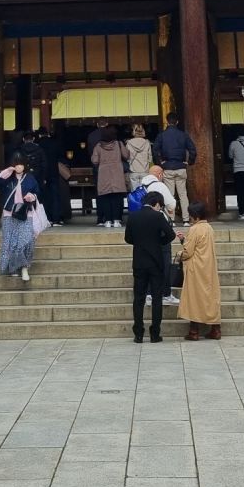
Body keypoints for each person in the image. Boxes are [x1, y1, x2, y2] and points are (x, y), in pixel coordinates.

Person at [125, 190, 175, 343]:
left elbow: (128, 238)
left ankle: (138, 333)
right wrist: (158, 242)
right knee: (156, 298)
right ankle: (155, 333)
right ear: (157, 203)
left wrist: (141, 243)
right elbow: (171, 235)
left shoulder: (133, 216)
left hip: (139, 261)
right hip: (155, 261)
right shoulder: (158, 216)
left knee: (138, 298)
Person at [0, 153, 41, 283]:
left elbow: (37, 191)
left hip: (26, 213)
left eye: (21, 164)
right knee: (11, 242)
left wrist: (31, 196)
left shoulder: (29, 177)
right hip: (9, 213)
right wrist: (6, 172)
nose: (19, 166)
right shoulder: (8, 177)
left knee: (27, 241)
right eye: (16, 164)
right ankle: (13, 268)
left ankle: (25, 267)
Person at [178, 202, 221, 340]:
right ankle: (215, 329)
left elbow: (188, 252)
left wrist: (179, 255)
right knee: (210, 297)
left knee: (194, 298)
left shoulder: (194, 229)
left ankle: (194, 331)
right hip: (208, 267)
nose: (189, 218)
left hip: (196, 268)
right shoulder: (209, 228)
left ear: (195, 216)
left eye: (190, 215)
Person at [154, 115, 196, 225]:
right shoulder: (183, 135)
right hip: (181, 167)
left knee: (170, 195)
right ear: (177, 122)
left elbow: (155, 150)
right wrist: (189, 162)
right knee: (183, 195)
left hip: (167, 167)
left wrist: (159, 163)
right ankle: (186, 219)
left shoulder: (162, 135)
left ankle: (171, 219)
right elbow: (192, 149)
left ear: (167, 122)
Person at [90, 126, 130, 228]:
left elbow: (94, 160)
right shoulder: (119, 144)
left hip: (104, 174)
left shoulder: (98, 146)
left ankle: (108, 220)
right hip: (117, 173)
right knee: (117, 198)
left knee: (105, 198)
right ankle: (116, 220)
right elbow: (126, 155)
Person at [226, 129, 244, 220]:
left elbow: (230, 156)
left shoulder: (233, 143)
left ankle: (242, 212)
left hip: (238, 170)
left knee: (240, 192)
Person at [126, 123, 154, 191]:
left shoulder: (129, 143)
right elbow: (150, 158)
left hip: (133, 170)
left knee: (135, 194)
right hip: (145, 170)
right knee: (145, 193)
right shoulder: (147, 143)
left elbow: (127, 157)